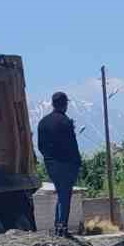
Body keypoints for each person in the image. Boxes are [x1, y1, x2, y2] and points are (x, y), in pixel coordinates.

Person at [37, 91, 83, 236]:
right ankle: (62, 228)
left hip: (51, 164)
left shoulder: (43, 122)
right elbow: (72, 145)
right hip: (66, 164)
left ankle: (59, 226)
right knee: (65, 195)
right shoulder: (65, 122)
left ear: (53, 103)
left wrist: (49, 158)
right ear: (64, 104)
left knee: (61, 195)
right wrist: (77, 162)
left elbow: (40, 146)